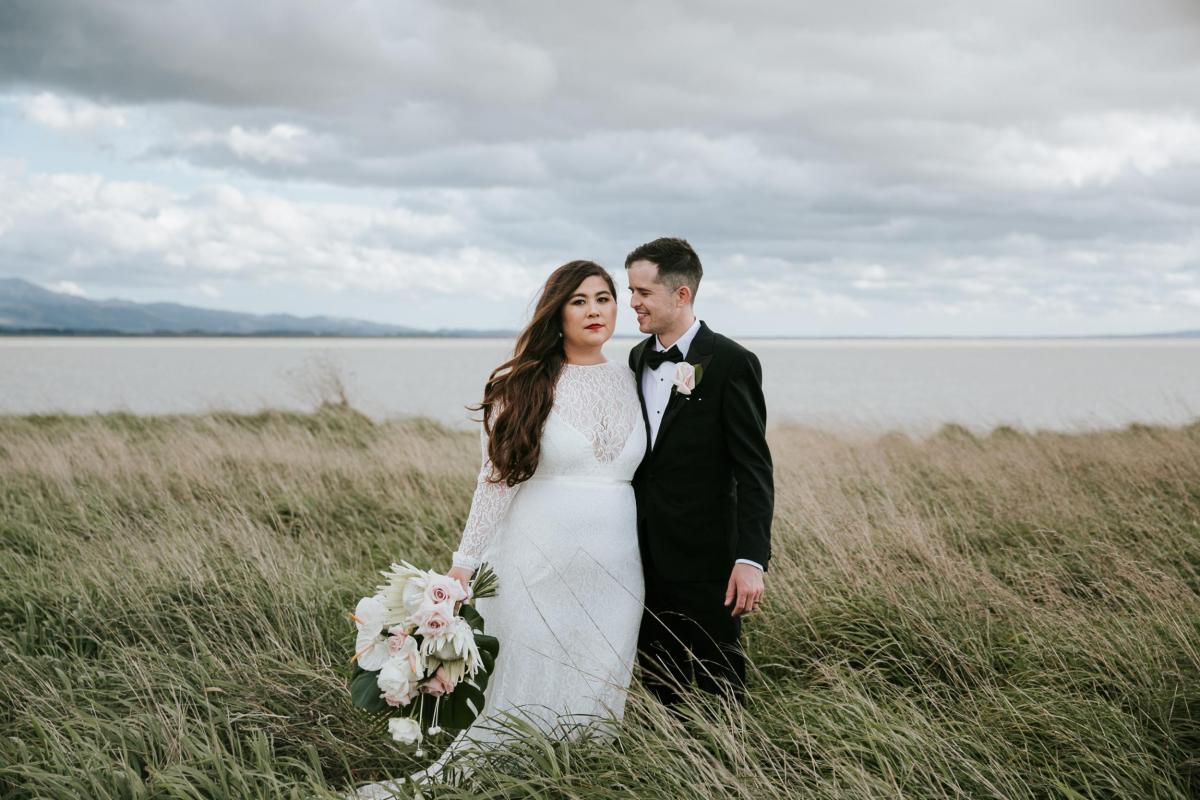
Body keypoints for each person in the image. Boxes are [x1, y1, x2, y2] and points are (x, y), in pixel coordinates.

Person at [352, 260, 646, 798]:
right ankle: (503, 777)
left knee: (599, 673)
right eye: (578, 301)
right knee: (528, 673)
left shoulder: (635, 378)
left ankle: (579, 778)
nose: (594, 310)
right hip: (538, 559)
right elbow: (493, 482)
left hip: (618, 569)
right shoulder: (525, 382)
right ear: (556, 312)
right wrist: (461, 569)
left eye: (603, 298)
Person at [625, 237, 774, 708]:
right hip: (641, 556)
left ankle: (732, 775)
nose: (633, 303)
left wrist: (750, 560)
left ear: (681, 294)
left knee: (720, 687)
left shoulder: (731, 362)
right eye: (630, 291)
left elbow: (755, 470)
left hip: (708, 561)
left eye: (643, 292)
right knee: (657, 685)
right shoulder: (635, 359)